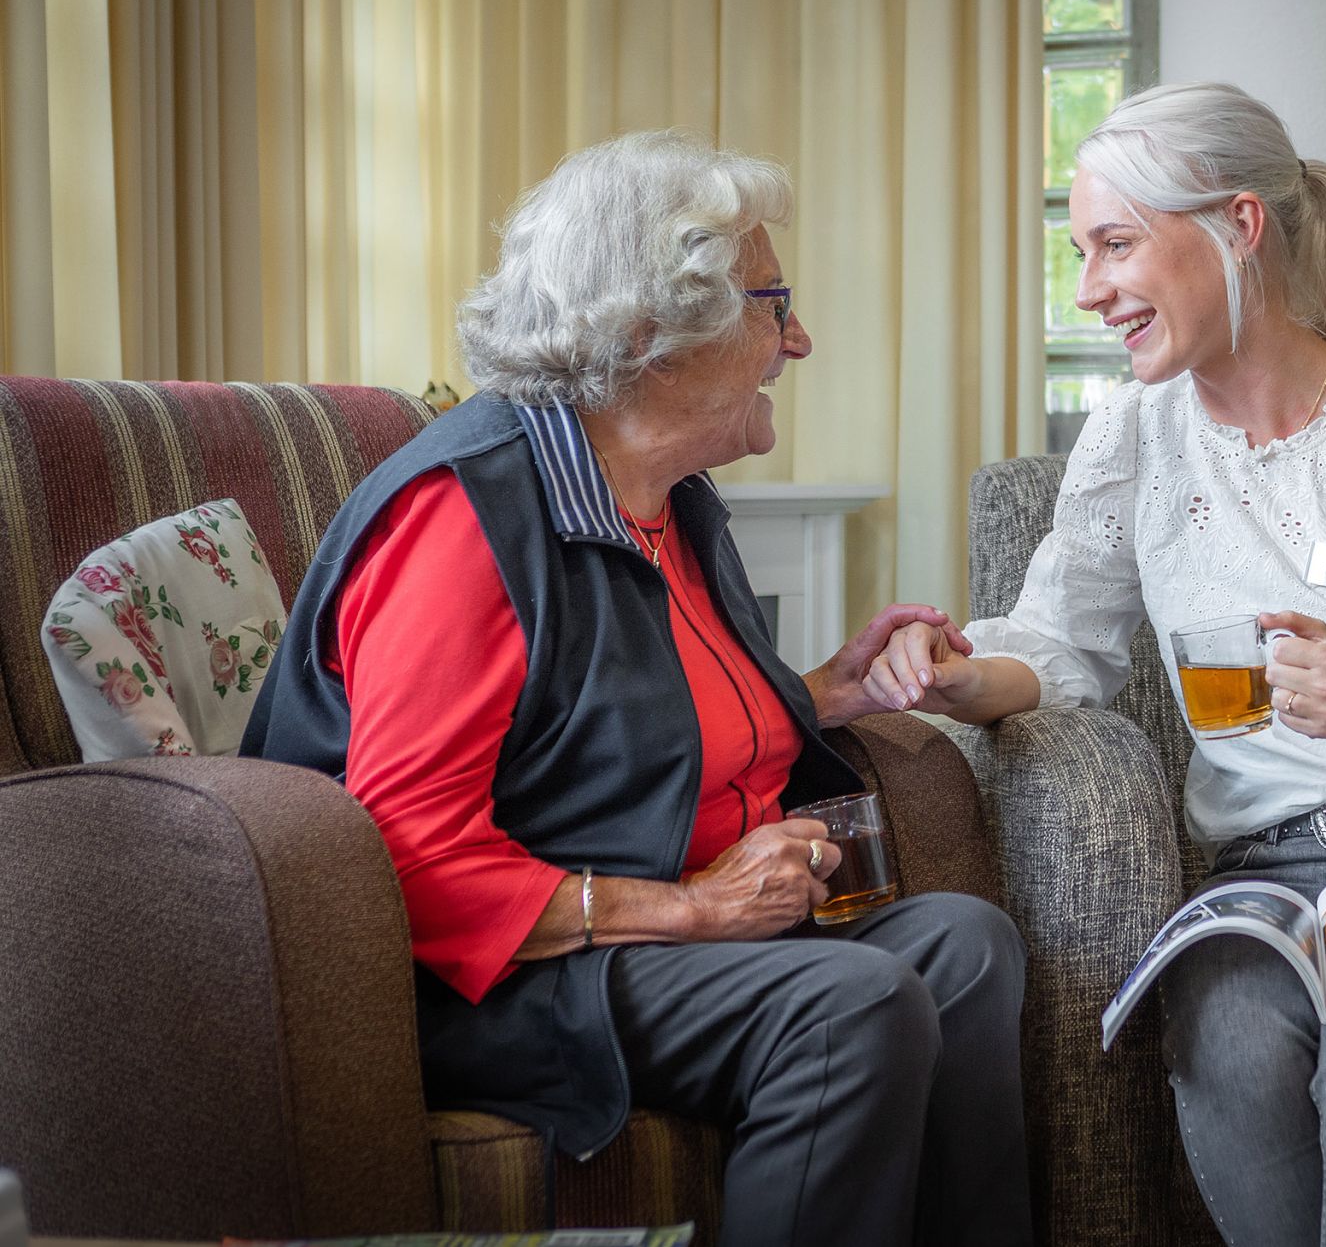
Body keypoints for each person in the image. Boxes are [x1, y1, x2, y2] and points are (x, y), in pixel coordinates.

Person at [242, 131, 1031, 1247]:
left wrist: (829, 693)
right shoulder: (469, 517)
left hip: (641, 942)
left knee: (964, 944)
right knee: (849, 1004)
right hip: (493, 982)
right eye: (772, 302)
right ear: (649, 334)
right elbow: (405, 854)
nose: (796, 339)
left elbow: (630, 724)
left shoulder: (666, 495)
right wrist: (694, 908)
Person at [862, 82, 1326, 1246]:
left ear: (1240, 225)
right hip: (1266, 882)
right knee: (1224, 1028)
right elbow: (1063, 639)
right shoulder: (1131, 437)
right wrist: (966, 676)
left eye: (1116, 243)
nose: (1088, 288)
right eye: (1081, 252)